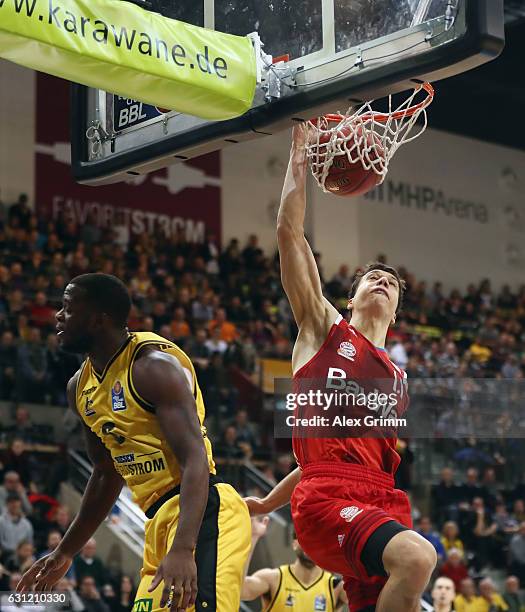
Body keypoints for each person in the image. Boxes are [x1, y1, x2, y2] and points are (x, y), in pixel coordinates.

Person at [245, 126, 436, 612]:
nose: (382, 282)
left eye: (391, 283)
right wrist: (299, 154)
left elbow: (333, 454)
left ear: (395, 312)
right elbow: (289, 233)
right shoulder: (322, 327)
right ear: (350, 298)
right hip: (326, 501)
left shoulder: (397, 380)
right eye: (373, 277)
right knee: (417, 558)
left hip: (379, 497)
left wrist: (267, 503)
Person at [17, 273, 251, 611]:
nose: (58, 315)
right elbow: (104, 473)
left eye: (68, 308)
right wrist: (66, 550)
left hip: (202, 515)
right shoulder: (78, 388)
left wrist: (185, 547)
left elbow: (195, 459)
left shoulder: (151, 368)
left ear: (99, 319)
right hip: (157, 523)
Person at [241, 516, 348, 611]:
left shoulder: (336, 587)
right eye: (305, 538)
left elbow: (363, 599)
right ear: (294, 544)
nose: (310, 545)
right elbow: (241, 591)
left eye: (315, 541)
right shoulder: (273, 579)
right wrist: (253, 537)